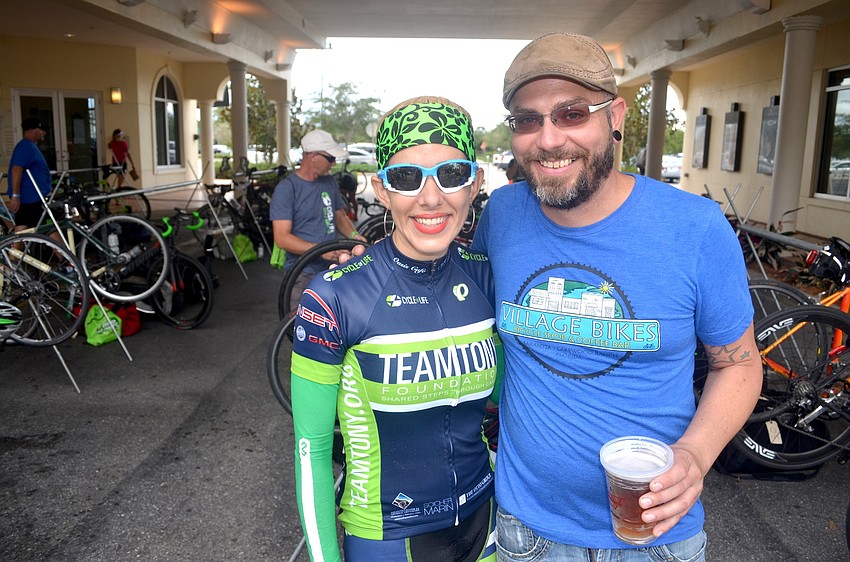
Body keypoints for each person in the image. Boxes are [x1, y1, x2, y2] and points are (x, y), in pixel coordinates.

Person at [470, 32, 762, 561]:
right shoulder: (503, 216)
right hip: (526, 532)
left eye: (572, 113)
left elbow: (738, 365)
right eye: (527, 120)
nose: (549, 139)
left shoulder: (694, 228)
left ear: (616, 116)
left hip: (656, 538)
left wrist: (695, 455)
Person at [291, 96, 501, 562]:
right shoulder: (335, 296)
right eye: (406, 179)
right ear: (381, 191)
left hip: (485, 525)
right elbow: (312, 451)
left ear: (475, 183)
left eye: (451, 174)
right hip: (387, 536)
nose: (431, 198)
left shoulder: (487, 277)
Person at [270, 129, 364, 311]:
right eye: (330, 158)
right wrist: (319, 251)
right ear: (312, 156)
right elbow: (281, 238)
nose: (334, 163)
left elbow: (339, 215)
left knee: (335, 325)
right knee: (303, 329)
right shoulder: (287, 189)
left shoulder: (328, 182)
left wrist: (355, 235)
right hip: (302, 273)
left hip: (332, 268)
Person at [7, 117, 51, 232]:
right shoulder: (25, 146)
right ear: (32, 130)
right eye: (41, 129)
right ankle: (61, 250)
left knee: (21, 231)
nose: (44, 133)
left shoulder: (30, 146)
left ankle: (14, 250)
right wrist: (15, 196)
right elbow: (16, 169)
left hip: (31, 199)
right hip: (32, 199)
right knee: (51, 230)